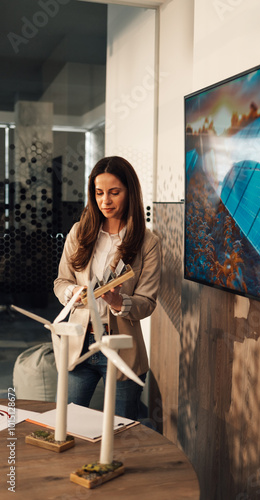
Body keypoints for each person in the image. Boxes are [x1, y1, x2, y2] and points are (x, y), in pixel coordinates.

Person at [53, 156, 161, 420]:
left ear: (129, 192)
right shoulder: (80, 233)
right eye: (99, 193)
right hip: (80, 343)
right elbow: (61, 282)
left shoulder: (147, 242)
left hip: (121, 346)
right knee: (68, 423)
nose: (106, 201)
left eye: (114, 193)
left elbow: (147, 302)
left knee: (121, 431)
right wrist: (71, 294)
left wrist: (119, 302)